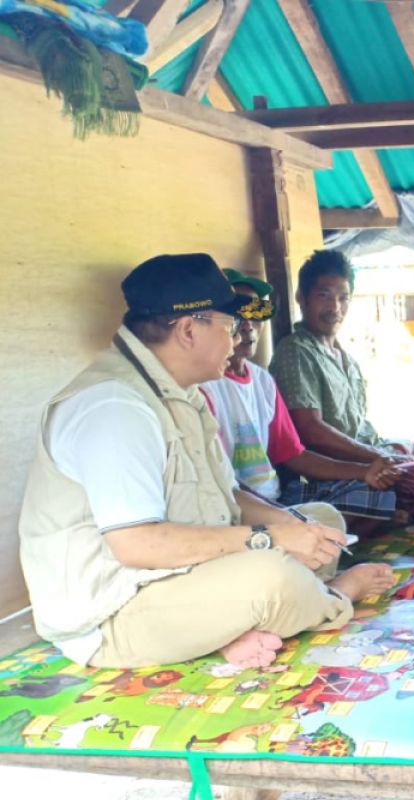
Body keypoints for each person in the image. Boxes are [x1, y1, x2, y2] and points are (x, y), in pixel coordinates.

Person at [18, 254, 393, 670]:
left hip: (178, 576)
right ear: (188, 329)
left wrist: (288, 525)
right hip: (113, 613)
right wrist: (270, 538)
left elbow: (226, 493)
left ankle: (234, 626)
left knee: (323, 520)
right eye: (230, 327)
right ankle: (334, 597)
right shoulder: (115, 407)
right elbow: (136, 544)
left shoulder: (181, 393)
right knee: (273, 576)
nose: (237, 340)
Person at [200, 269, 405, 529]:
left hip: (277, 499)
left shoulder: (262, 381)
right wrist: (281, 517)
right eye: (237, 314)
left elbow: (294, 455)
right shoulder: (203, 387)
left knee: (377, 490)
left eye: (256, 313)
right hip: (238, 508)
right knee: (327, 520)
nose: (248, 325)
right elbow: (221, 482)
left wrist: (366, 471)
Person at [270, 250, 414, 528]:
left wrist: (390, 451)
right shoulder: (295, 351)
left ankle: (392, 511)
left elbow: (359, 428)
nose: (335, 307)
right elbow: (311, 430)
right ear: (301, 298)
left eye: (343, 298)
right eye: (324, 295)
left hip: (370, 458)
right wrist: (377, 458)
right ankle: (386, 515)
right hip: (334, 475)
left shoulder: (346, 358)